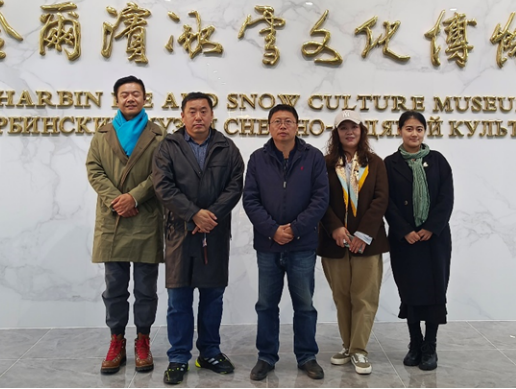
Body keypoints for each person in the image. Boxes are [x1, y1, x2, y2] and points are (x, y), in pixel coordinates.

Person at [152, 92, 245, 385]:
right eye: (192, 111)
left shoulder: (226, 148)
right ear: (182, 116)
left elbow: (235, 186)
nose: (198, 117)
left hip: (214, 233)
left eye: (204, 111)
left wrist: (209, 216)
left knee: (212, 297)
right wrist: (193, 214)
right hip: (179, 233)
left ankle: (210, 352)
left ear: (212, 115)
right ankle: (179, 357)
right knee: (178, 298)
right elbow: (163, 186)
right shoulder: (168, 147)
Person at [243, 104, 330, 381]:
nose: (283, 126)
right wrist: (273, 230)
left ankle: (307, 356)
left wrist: (294, 229)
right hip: (268, 245)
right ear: (269, 126)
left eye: (288, 121)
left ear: (297, 126)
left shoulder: (313, 157)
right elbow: (250, 199)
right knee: (266, 305)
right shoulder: (257, 159)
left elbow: (320, 198)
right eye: (277, 121)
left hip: (302, 245)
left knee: (304, 305)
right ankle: (266, 357)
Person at [87, 76, 166, 375]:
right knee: (115, 288)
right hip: (113, 219)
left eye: (135, 93)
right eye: (124, 94)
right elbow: (94, 170)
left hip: (145, 215)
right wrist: (116, 199)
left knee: (146, 288)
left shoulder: (159, 135)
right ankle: (116, 341)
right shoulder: (102, 134)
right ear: (116, 99)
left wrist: (134, 197)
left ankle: (143, 340)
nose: (130, 98)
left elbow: (162, 172)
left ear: (145, 98)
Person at [318, 109, 389, 375]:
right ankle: (347, 346)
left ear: (362, 131)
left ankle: (359, 349)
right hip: (334, 242)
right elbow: (319, 199)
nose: (349, 132)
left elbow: (381, 199)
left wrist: (363, 234)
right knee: (342, 297)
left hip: (367, 243)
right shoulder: (325, 163)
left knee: (364, 297)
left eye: (354, 127)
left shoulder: (375, 163)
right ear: (336, 133)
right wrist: (335, 227)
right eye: (343, 128)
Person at [384, 111, 454, 371]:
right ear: (400, 131)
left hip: (434, 239)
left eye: (419, 129)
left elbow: (447, 198)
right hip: (405, 241)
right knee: (410, 292)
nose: (414, 133)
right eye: (409, 128)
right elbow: (386, 201)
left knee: (435, 292)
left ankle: (430, 347)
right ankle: (415, 344)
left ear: (425, 132)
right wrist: (404, 230)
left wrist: (431, 228)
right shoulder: (389, 164)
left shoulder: (438, 161)